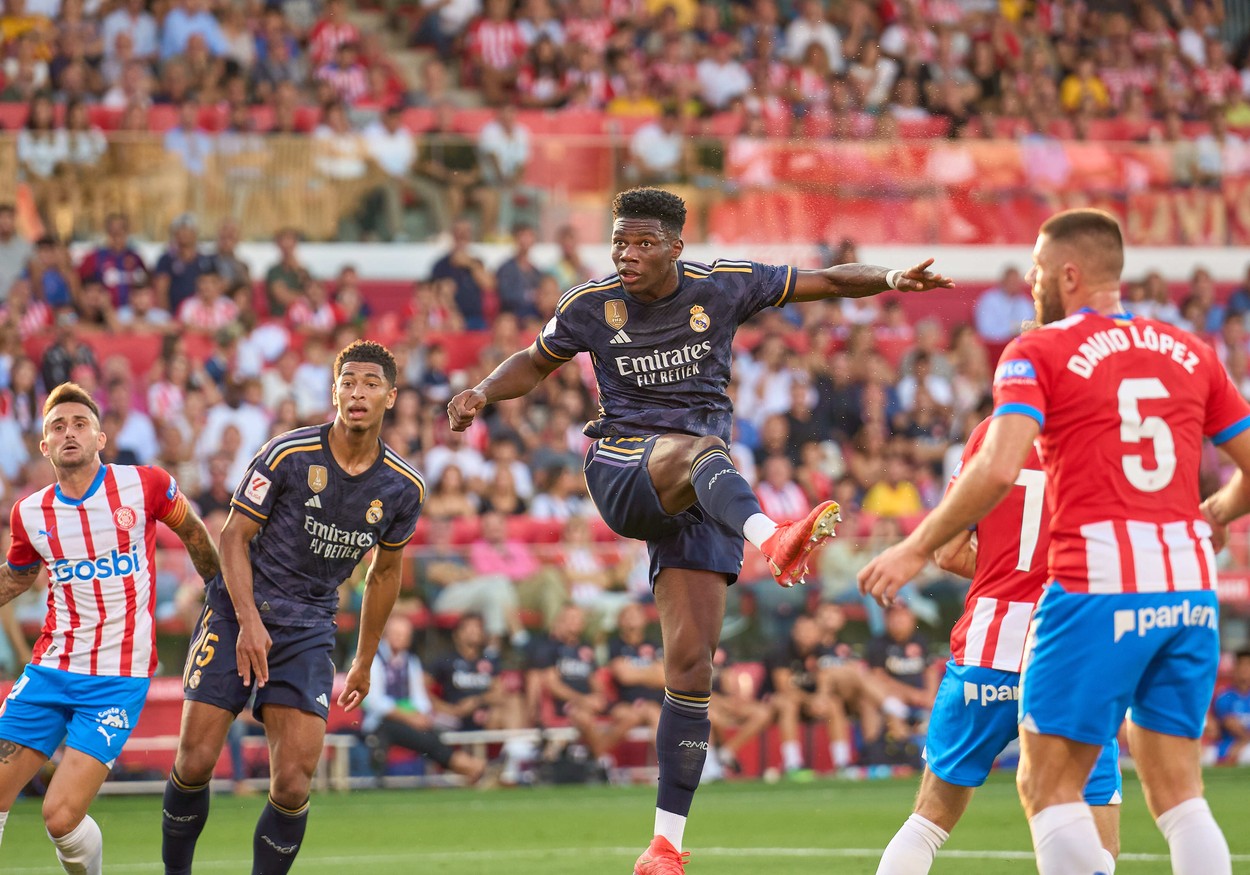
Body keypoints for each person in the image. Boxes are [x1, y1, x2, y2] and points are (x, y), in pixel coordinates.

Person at [448, 187, 951, 873]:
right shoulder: (592, 305)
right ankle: (772, 537)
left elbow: (828, 281)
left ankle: (665, 845)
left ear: (676, 247)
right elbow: (535, 362)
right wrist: (480, 390)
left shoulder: (723, 286)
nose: (627, 254)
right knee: (707, 450)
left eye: (643, 243)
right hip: (624, 465)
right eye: (620, 241)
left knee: (690, 668)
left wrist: (893, 278)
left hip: (701, 498)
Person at [860, 208, 1246, 875]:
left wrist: (917, 546)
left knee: (1039, 785)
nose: (1031, 281)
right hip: (1185, 587)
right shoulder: (1192, 350)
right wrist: (1213, 514)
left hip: (1084, 593)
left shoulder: (1040, 352)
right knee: (1182, 796)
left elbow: (997, 467)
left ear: (1068, 274)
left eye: (1037, 269)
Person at [161, 340, 427, 875]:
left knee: (292, 782)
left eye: (370, 383)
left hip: (309, 624)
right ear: (334, 391)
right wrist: (250, 623)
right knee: (193, 763)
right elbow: (233, 538)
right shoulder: (287, 453)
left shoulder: (403, 487)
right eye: (348, 381)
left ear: (391, 396)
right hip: (239, 609)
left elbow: (386, 574)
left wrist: (364, 659)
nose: (357, 392)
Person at [875, 414, 1122, 875]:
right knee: (1095, 833)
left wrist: (1004, 575)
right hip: (1071, 655)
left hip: (988, 649)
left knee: (928, 821)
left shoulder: (993, 432)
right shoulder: (1096, 429)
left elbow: (947, 552)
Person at [0, 381, 220, 875]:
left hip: (116, 681)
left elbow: (192, 531)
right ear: (44, 445)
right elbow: (18, 576)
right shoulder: (30, 513)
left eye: (80, 424)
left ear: (101, 437)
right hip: (49, 670)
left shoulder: (144, 484)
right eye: (58, 426)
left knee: (59, 817)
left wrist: (219, 590)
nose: (69, 433)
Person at [362, 613, 486, 784]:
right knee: (420, 736)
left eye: (404, 635)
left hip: (408, 719)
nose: (401, 639)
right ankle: (465, 766)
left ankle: (461, 768)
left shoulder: (410, 661)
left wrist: (420, 715)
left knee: (431, 731)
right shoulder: (374, 661)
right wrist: (409, 717)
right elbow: (374, 702)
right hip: (379, 722)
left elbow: (419, 698)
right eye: (396, 634)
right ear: (386, 635)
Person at [1213, 649, 1250, 765]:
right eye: (1241, 665)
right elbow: (1231, 725)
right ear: (1235, 668)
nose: (1245, 670)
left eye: (1248, 665)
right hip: (1229, 746)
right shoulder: (1225, 696)